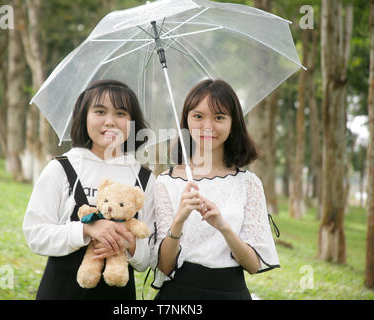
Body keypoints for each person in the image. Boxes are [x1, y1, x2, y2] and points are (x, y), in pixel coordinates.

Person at [23, 80, 156, 300]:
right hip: (60, 292)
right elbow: (35, 235)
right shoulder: (61, 168)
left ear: (132, 122)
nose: (110, 121)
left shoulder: (144, 179)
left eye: (121, 113)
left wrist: (128, 243)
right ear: (84, 117)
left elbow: (149, 258)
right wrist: (86, 230)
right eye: (100, 111)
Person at [150, 79, 280, 300]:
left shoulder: (248, 183)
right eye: (198, 116)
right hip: (178, 295)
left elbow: (253, 265)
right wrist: (179, 220)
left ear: (233, 124)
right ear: (187, 121)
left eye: (219, 117)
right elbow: (164, 266)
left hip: (230, 293)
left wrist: (223, 227)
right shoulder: (165, 182)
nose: (207, 126)